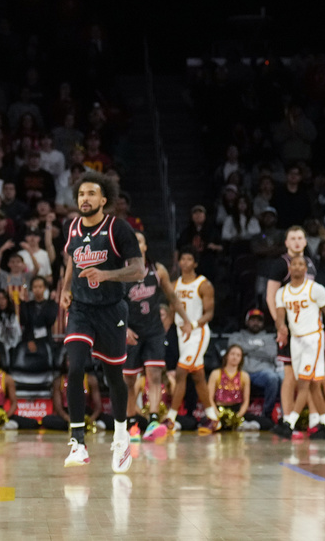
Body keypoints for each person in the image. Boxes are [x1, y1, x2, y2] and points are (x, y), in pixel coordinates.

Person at [57, 172, 142, 472]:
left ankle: (121, 434)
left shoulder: (118, 228)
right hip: (81, 309)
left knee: (114, 376)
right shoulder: (73, 227)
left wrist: (106, 274)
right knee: (76, 366)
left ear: (104, 200)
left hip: (111, 310)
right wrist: (65, 290)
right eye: (81, 194)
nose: (85, 199)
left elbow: (139, 271)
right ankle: (78, 441)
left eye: (91, 194)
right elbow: (71, 259)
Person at [272, 255, 325, 440]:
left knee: (303, 381)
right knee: (312, 385)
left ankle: (289, 423)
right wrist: (281, 326)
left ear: (306, 269)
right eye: (294, 264)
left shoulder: (316, 289)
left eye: (300, 264)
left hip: (313, 339)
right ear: (290, 268)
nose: (296, 267)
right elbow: (280, 315)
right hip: (296, 341)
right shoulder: (282, 292)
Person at [264, 226, 325, 434]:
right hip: (290, 331)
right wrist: (280, 326)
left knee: (309, 377)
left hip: (308, 329)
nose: (297, 242)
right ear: (287, 243)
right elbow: (271, 297)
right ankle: (287, 419)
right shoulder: (280, 264)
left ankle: (313, 421)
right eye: (293, 238)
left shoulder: (309, 262)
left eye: (301, 238)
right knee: (290, 376)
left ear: (306, 241)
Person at [123, 232, 183, 442]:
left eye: (139, 241)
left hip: (154, 330)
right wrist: (123, 329)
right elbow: (112, 306)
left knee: (155, 374)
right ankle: (131, 424)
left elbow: (172, 296)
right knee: (129, 380)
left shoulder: (158, 270)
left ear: (145, 246)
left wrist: (182, 320)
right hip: (130, 331)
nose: (135, 245)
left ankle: (154, 420)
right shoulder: (120, 273)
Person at [168, 249, 220, 434]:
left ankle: (170, 418)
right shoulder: (174, 285)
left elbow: (209, 313)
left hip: (198, 333)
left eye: (189, 258)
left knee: (181, 372)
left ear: (195, 263)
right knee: (198, 377)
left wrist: (193, 324)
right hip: (181, 334)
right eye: (183, 257)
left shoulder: (203, 284)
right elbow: (171, 311)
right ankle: (213, 418)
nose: (185, 261)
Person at [228, 309, 282, 421]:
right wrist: (260, 348)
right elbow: (233, 349)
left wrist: (245, 349)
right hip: (242, 372)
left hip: (262, 372)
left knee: (273, 377)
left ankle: (266, 415)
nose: (256, 323)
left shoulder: (270, 337)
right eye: (253, 320)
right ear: (247, 322)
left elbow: (271, 354)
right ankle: (232, 415)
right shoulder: (237, 335)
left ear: (263, 323)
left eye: (259, 321)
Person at [207, 344, 271, 431]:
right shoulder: (216, 373)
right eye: (232, 354)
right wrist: (217, 414)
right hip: (219, 409)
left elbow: (246, 401)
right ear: (227, 356)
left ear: (241, 359)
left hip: (236, 410)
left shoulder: (244, 376)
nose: (235, 357)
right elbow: (209, 399)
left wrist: (237, 416)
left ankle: (242, 424)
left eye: (238, 355)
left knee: (267, 423)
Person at [42, 353, 102, 432]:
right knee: (47, 420)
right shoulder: (59, 381)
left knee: (111, 420)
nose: (72, 363)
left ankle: (89, 425)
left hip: (85, 413)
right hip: (68, 414)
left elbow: (98, 406)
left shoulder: (91, 380)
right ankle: (74, 426)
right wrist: (69, 419)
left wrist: (91, 419)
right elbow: (58, 408)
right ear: (64, 362)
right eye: (69, 360)